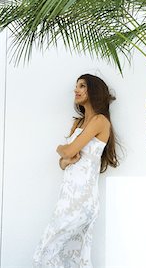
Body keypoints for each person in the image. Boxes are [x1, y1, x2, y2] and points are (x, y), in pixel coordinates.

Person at [32, 73, 120, 267]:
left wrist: (60, 150)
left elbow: (69, 151)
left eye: (82, 86)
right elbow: (63, 164)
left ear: (93, 91)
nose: (76, 90)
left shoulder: (100, 121)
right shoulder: (78, 123)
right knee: (70, 254)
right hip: (67, 196)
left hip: (83, 198)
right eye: (76, 86)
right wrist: (65, 159)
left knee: (49, 248)